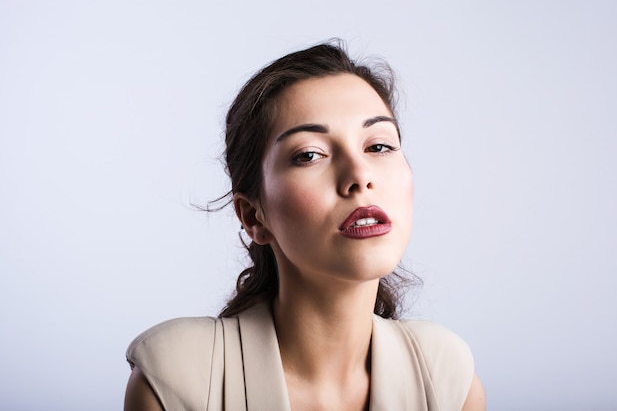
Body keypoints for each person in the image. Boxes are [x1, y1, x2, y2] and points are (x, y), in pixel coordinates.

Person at [123, 41, 486, 411]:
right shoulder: (178, 380)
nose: (360, 175)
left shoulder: (446, 379)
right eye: (309, 155)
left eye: (378, 146)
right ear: (253, 216)